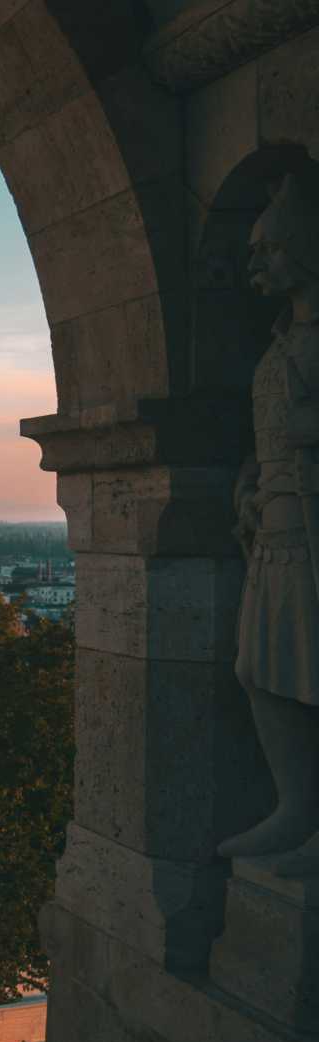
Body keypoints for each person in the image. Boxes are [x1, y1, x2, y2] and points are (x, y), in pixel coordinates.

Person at [224, 170, 319, 874]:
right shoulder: (281, 348)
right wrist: (252, 485)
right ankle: (297, 807)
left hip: (304, 533)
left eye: (269, 248)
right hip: (276, 538)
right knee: (262, 671)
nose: (255, 263)